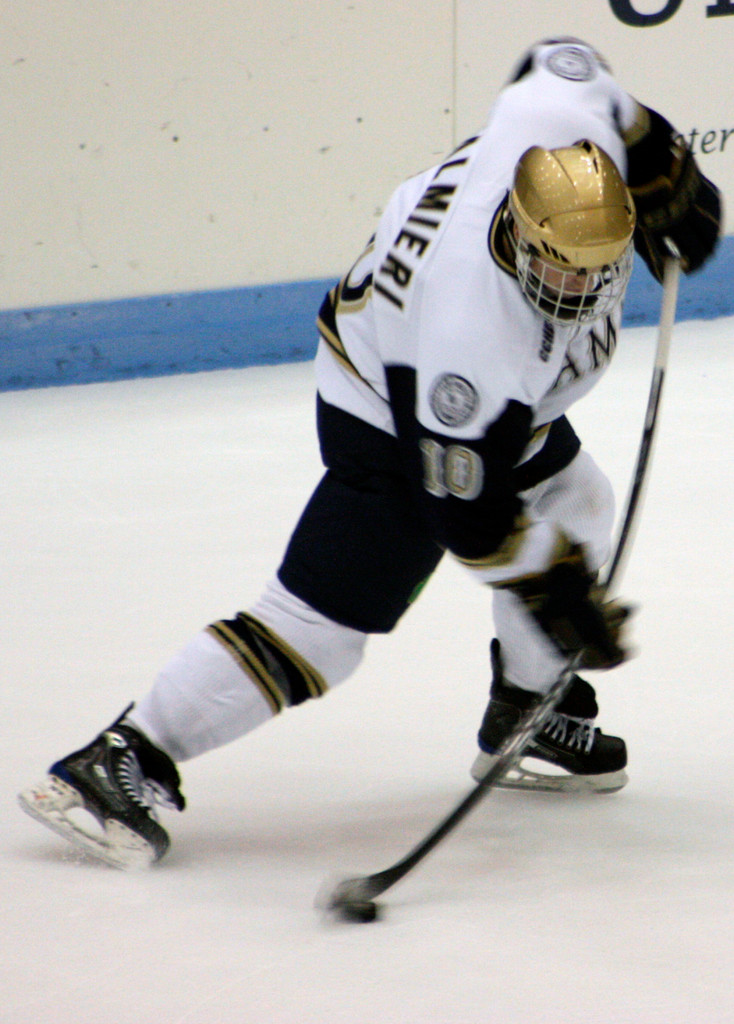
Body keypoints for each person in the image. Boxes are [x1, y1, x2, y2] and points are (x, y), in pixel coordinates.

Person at [19, 37, 722, 868]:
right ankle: (121, 758)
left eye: (597, 271)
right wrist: (552, 585)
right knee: (323, 627)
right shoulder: (471, 333)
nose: (583, 291)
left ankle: (527, 715)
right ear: (521, 236)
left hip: (482, 401)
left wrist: (654, 153)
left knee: (579, 499)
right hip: (392, 413)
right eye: (563, 272)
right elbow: (466, 510)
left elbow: (564, 59)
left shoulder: (551, 124)